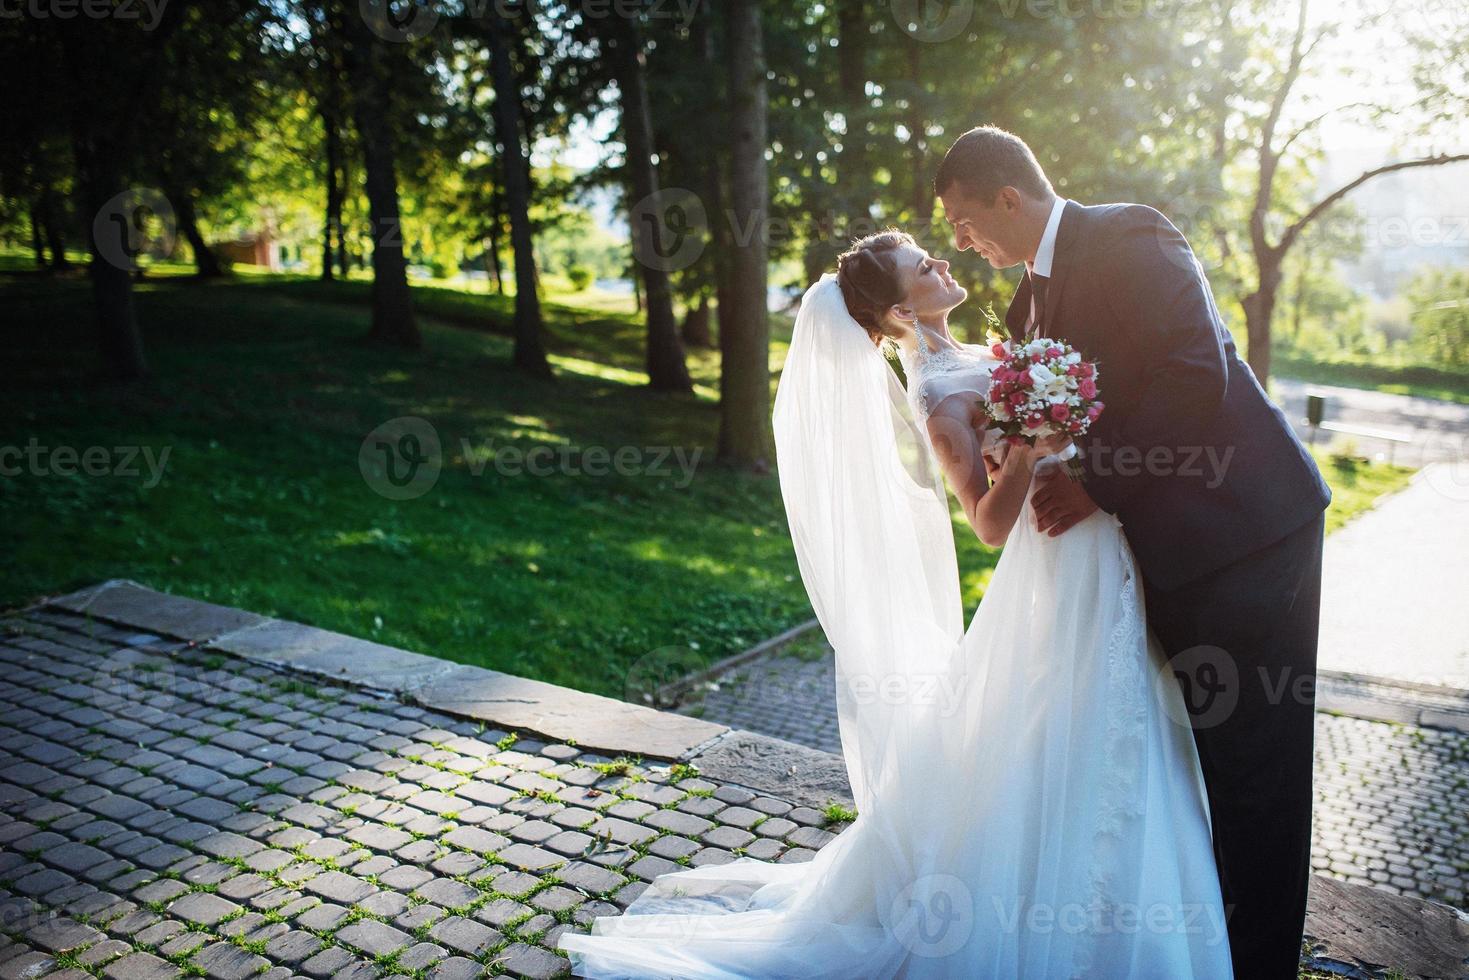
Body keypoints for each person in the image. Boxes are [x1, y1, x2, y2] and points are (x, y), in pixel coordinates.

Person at [558, 222, 1235, 977]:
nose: (940, 261)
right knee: (1084, 709)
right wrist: (1033, 446)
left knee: (1092, 709)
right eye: (921, 265)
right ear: (899, 314)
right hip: (1055, 556)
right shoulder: (940, 401)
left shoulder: (987, 354)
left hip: (1096, 544)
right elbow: (985, 522)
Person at [934, 125, 1331, 979]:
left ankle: (1262, 967)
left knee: (1253, 762)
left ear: (1008, 195)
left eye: (964, 222)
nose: (959, 243)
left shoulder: (1131, 236)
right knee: (1177, 753)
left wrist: (1095, 482)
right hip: (1146, 553)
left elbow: (1195, 377)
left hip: (1244, 534)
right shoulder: (1019, 306)